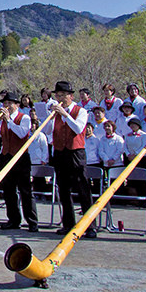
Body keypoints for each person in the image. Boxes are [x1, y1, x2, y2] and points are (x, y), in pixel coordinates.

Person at [43, 81, 96, 237]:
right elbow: (47, 130)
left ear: (70, 96)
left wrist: (65, 114)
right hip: (60, 152)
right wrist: (50, 117)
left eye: (62, 95)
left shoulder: (81, 111)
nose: (59, 98)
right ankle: (68, 224)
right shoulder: (56, 114)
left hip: (75, 152)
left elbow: (79, 128)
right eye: (57, 95)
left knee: (83, 189)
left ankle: (90, 226)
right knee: (63, 190)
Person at [0, 92, 38, 232]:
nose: (6, 106)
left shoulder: (24, 117)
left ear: (17, 105)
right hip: (6, 156)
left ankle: (32, 221)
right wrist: (0, 120)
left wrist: (9, 121)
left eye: (9, 103)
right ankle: (13, 219)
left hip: (21, 157)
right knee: (8, 191)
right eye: (5, 103)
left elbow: (22, 134)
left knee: (25, 191)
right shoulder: (2, 120)